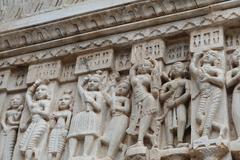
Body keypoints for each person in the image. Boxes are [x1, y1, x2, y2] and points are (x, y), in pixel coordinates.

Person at [68, 71, 104, 158]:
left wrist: (91, 101)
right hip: (80, 115)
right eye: (90, 81)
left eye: (95, 82)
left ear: (99, 84)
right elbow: (79, 87)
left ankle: (85, 154)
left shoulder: (98, 94)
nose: (91, 83)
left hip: (91, 115)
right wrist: (84, 81)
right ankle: (71, 155)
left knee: (89, 133)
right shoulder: (84, 92)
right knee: (73, 134)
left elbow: (98, 108)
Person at [159, 62, 190, 148]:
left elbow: (188, 94)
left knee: (182, 120)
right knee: (168, 123)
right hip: (168, 104)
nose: (176, 68)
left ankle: (180, 141)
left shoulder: (186, 81)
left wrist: (175, 102)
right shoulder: (166, 84)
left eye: (179, 67)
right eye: (174, 67)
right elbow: (161, 97)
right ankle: (169, 143)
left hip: (179, 103)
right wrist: (170, 92)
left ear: (184, 70)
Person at [19, 79, 51, 160]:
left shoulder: (45, 102)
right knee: (23, 145)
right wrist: (35, 84)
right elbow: (28, 95)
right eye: (37, 90)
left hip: (41, 123)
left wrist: (38, 111)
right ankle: (35, 152)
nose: (39, 92)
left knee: (31, 144)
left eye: (42, 90)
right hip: (32, 123)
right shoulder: (33, 104)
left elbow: (47, 115)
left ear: (47, 93)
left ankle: (30, 157)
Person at [48, 90, 73, 160]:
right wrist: (52, 119)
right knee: (51, 145)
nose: (63, 101)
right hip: (54, 130)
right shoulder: (55, 112)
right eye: (61, 99)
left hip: (62, 130)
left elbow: (68, 122)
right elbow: (51, 125)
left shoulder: (68, 112)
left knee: (60, 145)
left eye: (66, 99)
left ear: (71, 103)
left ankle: (57, 158)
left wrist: (66, 130)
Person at [1, 94, 24, 160]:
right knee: (2, 145)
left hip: (12, 130)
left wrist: (19, 111)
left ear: (22, 102)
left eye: (17, 99)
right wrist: (4, 127)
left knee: (9, 146)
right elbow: (3, 120)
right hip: (5, 130)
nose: (14, 101)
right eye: (12, 99)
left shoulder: (20, 112)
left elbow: (16, 120)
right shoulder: (7, 112)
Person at [226, 48, 240, 141]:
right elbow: (228, 83)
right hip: (237, 92)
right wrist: (238, 76)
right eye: (236, 54)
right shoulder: (231, 71)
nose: (239, 55)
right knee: (237, 113)